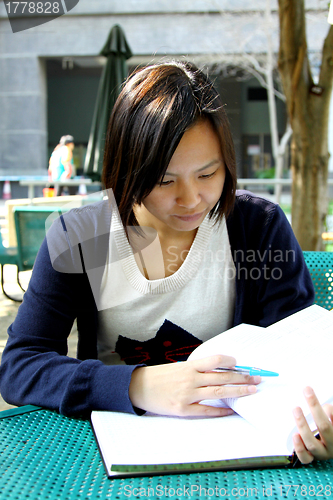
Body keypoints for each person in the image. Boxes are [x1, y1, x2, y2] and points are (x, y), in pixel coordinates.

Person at [1, 62, 332, 464]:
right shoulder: (83, 239)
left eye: (208, 173)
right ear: (127, 169)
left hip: (239, 452)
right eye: (164, 181)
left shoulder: (257, 228)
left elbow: (298, 359)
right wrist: (137, 385)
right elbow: (20, 365)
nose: (191, 199)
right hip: (112, 450)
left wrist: (317, 418)